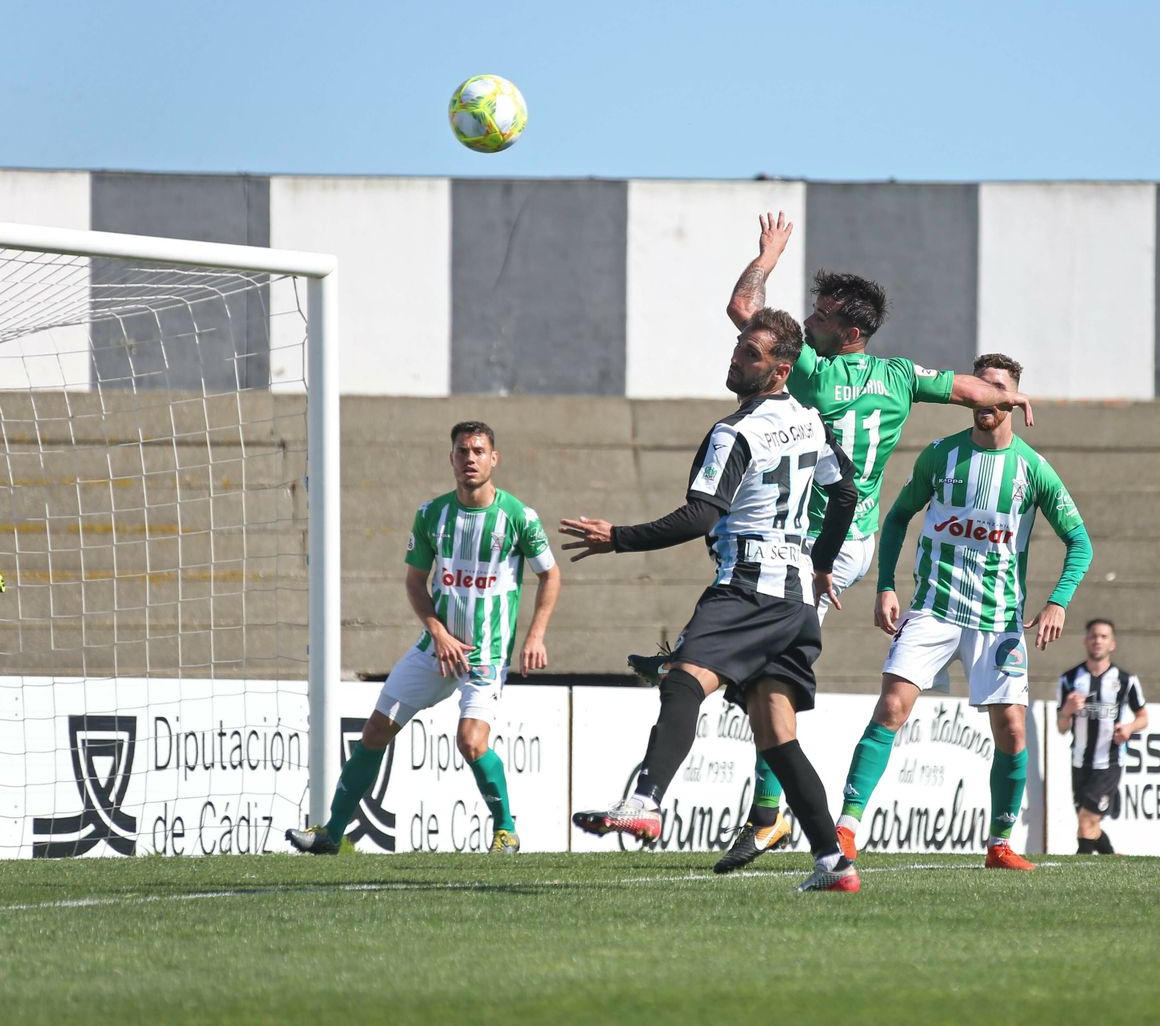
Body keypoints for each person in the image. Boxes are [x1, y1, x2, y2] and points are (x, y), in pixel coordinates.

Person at [634, 211, 1036, 875]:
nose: (808, 322)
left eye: (820, 317)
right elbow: (969, 389)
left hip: (809, 546)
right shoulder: (902, 374)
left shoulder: (812, 374)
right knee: (762, 657)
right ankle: (704, 673)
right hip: (849, 541)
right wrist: (1010, 394)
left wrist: (765, 257)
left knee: (766, 671)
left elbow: (742, 307)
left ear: (848, 331)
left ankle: (766, 809)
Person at [562, 308, 864, 893]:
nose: (735, 359)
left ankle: (646, 801)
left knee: (682, 681)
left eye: (750, 353)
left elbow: (700, 514)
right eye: (737, 348)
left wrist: (617, 538)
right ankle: (833, 863)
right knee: (777, 735)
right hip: (796, 595)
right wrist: (822, 562)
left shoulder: (735, 432)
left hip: (748, 585)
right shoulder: (810, 420)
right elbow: (846, 492)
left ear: (780, 370)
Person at [834, 353, 1092, 870]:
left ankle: (999, 843)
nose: (988, 398)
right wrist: (885, 586)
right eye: (981, 387)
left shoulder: (1032, 470)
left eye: (999, 388)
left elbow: (1080, 543)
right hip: (933, 608)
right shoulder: (940, 456)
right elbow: (899, 515)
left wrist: (1057, 602)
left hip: (999, 620)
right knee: (891, 707)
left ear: (1014, 401)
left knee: (1013, 731)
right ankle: (845, 829)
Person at [287, 421, 561, 855]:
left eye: (477, 450)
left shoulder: (518, 517)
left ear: (494, 458)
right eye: (461, 451)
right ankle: (330, 834)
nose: (469, 458)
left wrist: (536, 635)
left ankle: (506, 830)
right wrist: (438, 632)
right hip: (435, 649)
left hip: (486, 654)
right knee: (375, 731)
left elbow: (551, 574)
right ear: (451, 458)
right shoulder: (432, 514)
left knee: (471, 741)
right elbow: (416, 583)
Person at [1058, 618, 1148, 855]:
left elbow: (1143, 717)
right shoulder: (1069, 679)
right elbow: (1061, 726)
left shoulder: (1126, 680)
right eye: (1094, 636)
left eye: (1103, 636)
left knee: (1086, 822)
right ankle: (1112, 858)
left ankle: (1077, 873)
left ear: (1112, 644)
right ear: (1085, 641)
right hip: (1079, 760)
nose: (1098, 640)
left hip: (1109, 761)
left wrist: (1129, 728)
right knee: (1089, 825)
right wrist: (1067, 711)